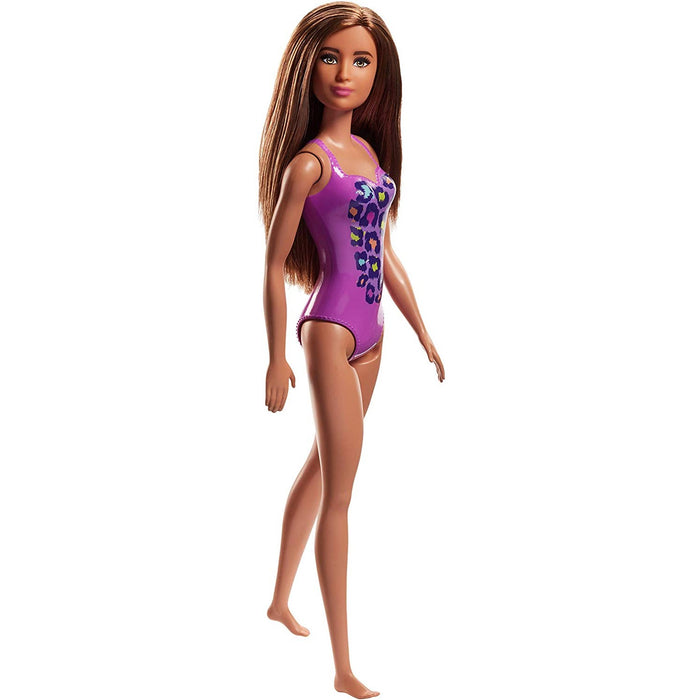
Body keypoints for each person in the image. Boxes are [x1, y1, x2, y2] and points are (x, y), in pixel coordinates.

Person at [259, 3, 445, 697]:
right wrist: (275, 355)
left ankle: (279, 600)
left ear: (378, 73)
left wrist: (422, 329)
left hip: (373, 334)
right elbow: (272, 265)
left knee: (321, 466)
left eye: (361, 59)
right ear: (306, 68)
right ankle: (341, 667)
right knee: (340, 495)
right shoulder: (308, 165)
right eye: (331, 57)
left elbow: (385, 253)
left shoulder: (367, 153)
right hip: (331, 329)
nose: (345, 72)